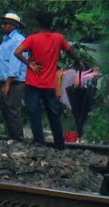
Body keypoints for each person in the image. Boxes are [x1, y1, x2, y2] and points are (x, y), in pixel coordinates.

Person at [14, 12, 84, 149]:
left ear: (38, 24)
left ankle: (40, 143)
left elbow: (17, 52)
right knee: (53, 113)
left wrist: (29, 63)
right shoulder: (58, 38)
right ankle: (60, 144)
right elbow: (70, 51)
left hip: (32, 82)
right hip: (49, 83)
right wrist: (78, 61)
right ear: (50, 24)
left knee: (34, 113)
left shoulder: (32, 39)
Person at [0, 12, 28, 140]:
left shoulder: (18, 40)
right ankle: (11, 137)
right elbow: (1, 66)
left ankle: (18, 138)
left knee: (12, 110)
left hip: (15, 82)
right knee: (5, 109)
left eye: (5, 23)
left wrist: (7, 84)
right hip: (5, 81)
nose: (2, 25)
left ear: (13, 25)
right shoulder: (5, 42)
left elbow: (15, 64)